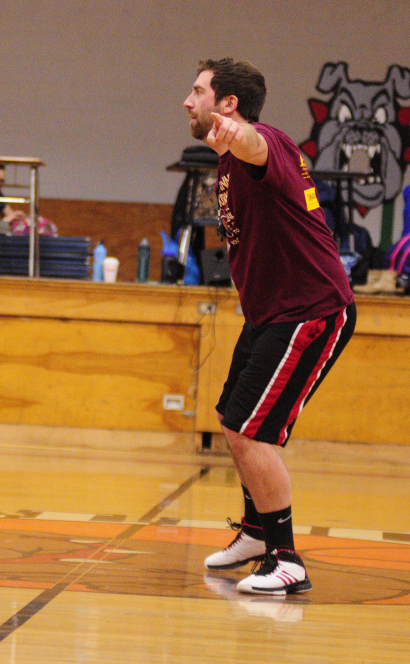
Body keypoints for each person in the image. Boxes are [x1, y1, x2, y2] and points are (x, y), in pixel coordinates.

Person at [184, 59, 356, 594]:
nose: (188, 101)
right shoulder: (228, 163)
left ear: (228, 104)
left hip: (311, 310)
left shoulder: (263, 146)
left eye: (198, 92)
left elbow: (258, 146)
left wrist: (242, 135)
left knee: (256, 433)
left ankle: (287, 560)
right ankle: (257, 532)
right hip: (272, 314)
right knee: (232, 422)